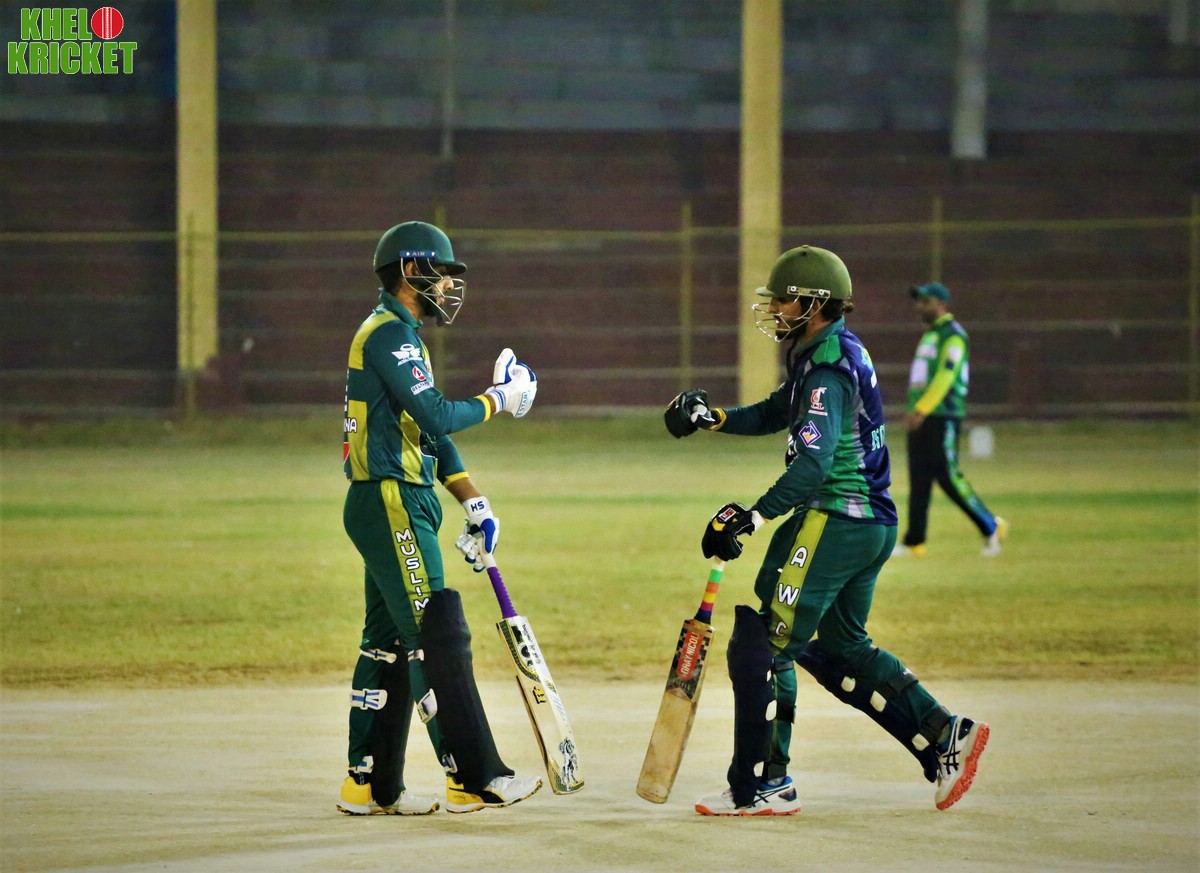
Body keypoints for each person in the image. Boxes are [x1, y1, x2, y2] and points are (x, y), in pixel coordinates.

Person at [664, 245, 989, 816]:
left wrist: (754, 516)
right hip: (870, 523)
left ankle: (765, 785)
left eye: (784, 299)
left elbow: (813, 465)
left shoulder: (828, 367)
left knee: (766, 643)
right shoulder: (827, 351)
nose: (775, 308)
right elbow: (776, 412)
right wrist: (712, 418)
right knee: (840, 647)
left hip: (835, 515)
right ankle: (945, 735)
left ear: (814, 304)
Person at [337, 220, 542, 815]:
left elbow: (425, 431)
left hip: (395, 498)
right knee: (436, 635)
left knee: (386, 644)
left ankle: (370, 785)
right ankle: (471, 777)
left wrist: (472, 499)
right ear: (411, 270)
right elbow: (438, 415)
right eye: (444, 273)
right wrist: (499, 399)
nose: (451, 285)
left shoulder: (400, 335)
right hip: (393, 500)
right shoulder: (389, 336)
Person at [893, 282, 1007, 558]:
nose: (919, 307)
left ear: (942, 304)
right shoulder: (931, 335)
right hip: (922, 415)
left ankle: (991, 526)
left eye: (925, 302)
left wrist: (922, 409)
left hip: (943, 415)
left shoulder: (954, 335)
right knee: (919, 478)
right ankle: (914, 541)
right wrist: (916, 409)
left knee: (948, 476)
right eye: (918, 301)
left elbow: (946, 375)